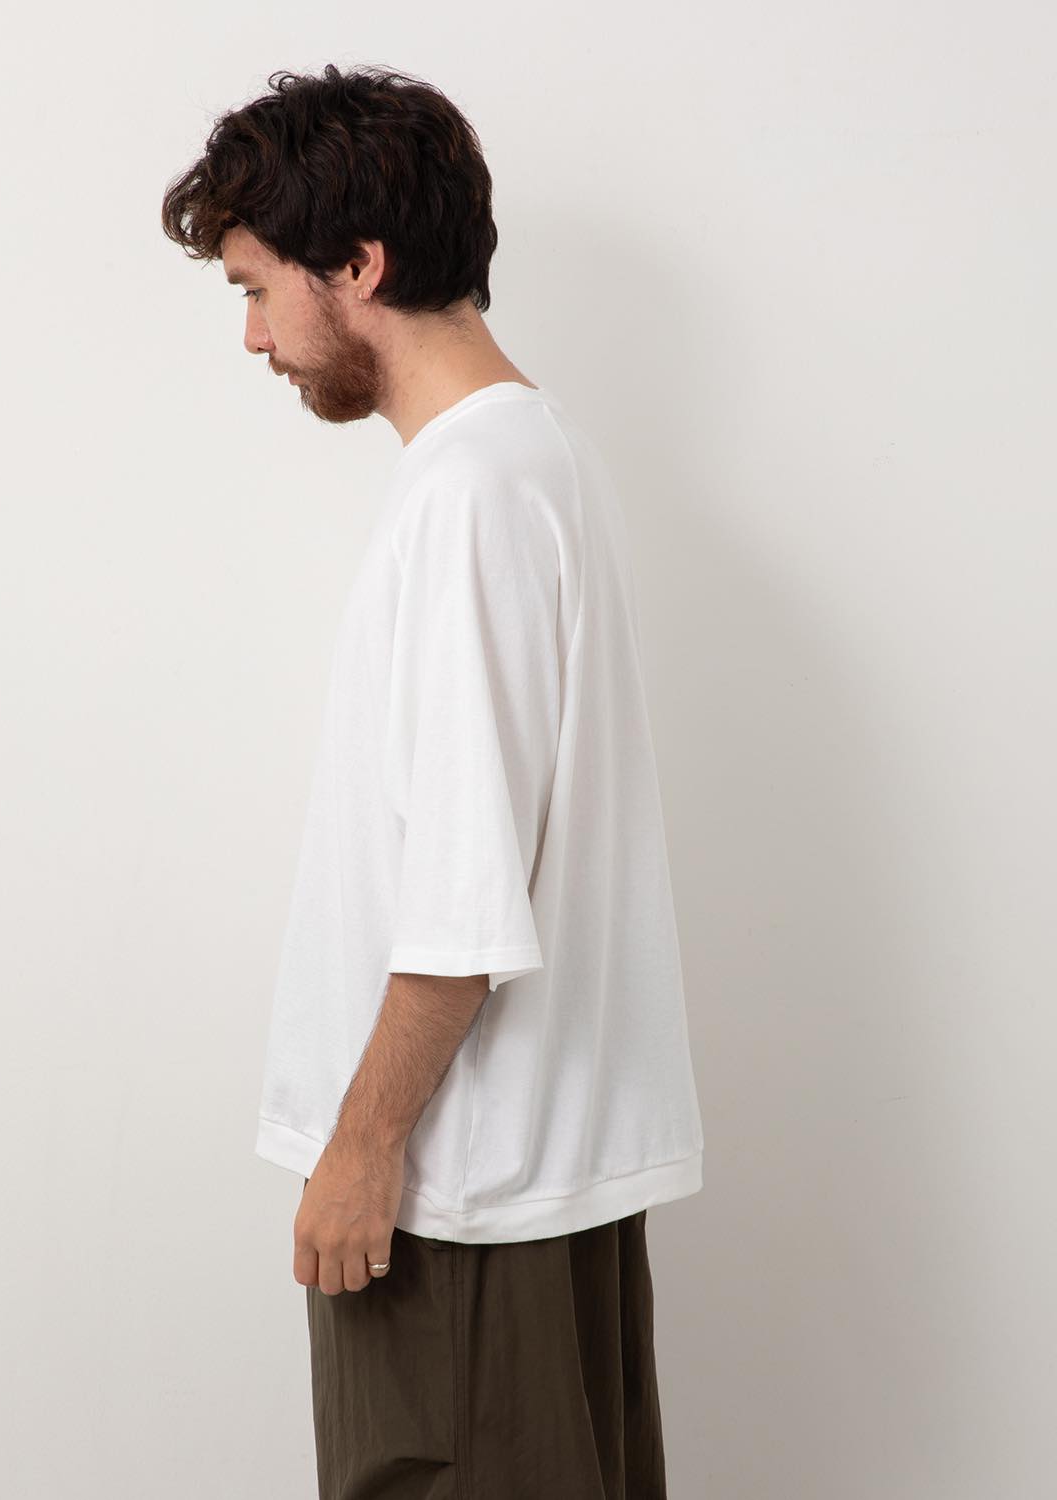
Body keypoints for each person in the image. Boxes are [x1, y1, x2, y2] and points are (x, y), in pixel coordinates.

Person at [162, 61, 705, 1500]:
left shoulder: (471, 496)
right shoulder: (531, 461)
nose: (254, 337)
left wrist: (361, 1151)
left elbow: (465, 901)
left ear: (359, 266)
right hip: (521, 1186)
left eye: (258, 289)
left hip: (456, 1204)